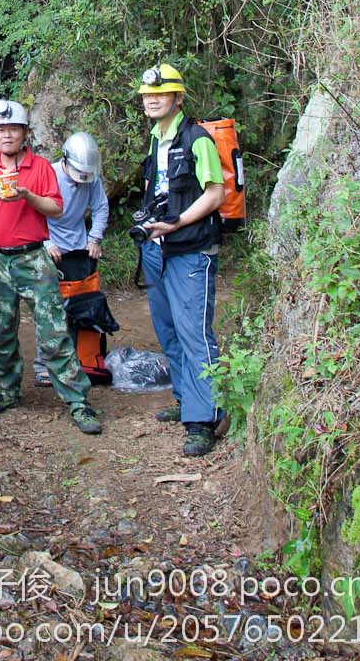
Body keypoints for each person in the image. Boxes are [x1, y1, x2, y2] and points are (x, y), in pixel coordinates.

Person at [0, 98, 102, 434]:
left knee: (53, 331)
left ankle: (78, 402)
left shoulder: (41, 167)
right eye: (0, 129)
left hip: (33, 259)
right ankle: (8, 391)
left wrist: (26, 195)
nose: (6, 135)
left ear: (24, 133)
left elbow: (56, 209)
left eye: (13, 129)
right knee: (2, 330)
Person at [135, 62, 225, 458]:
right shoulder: (156, 138)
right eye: (147, 95)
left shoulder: (197, 138)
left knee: (194, 333)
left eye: (160, 94)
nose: (152, 100)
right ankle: (187, 398)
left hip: (190, 249)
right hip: (157, 247)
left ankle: (204, 419)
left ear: (178, 97)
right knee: (168, 329)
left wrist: (177, 222)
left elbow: (215, 193)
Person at [34, 131, 112, 386]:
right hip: (50, 245)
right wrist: (47, 243)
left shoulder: (91, 178)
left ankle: (80, 359)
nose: (82, 180)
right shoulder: (50, 174)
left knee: (81, 306)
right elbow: (33, 212)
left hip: (79, 249)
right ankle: (44, 365)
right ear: (65, 160)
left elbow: (100, 206)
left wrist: (94, 238)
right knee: (49, 307)